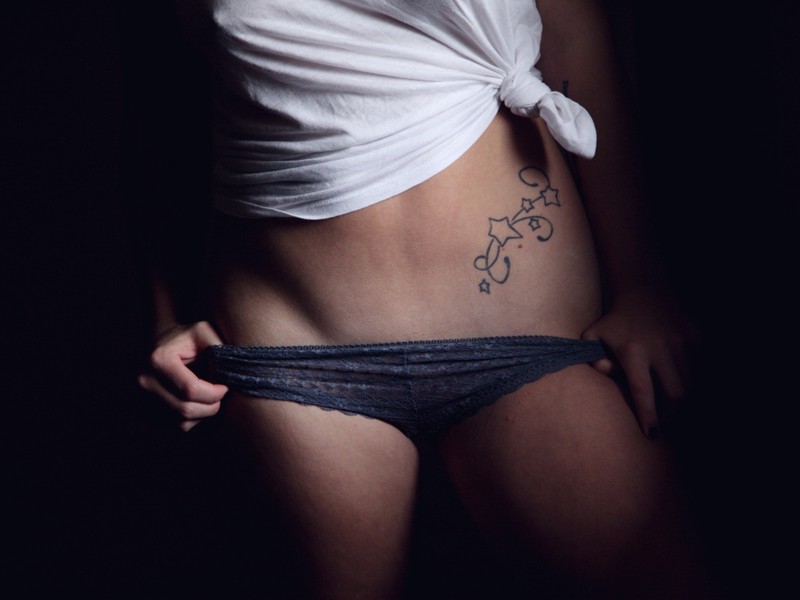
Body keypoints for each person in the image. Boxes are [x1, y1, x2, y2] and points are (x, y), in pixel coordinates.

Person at [137, 0, 719, 597]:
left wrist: (640, 282)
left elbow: (572, 35)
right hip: (294, 355)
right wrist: (162, 317)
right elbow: (160, 97)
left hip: (535, 341)